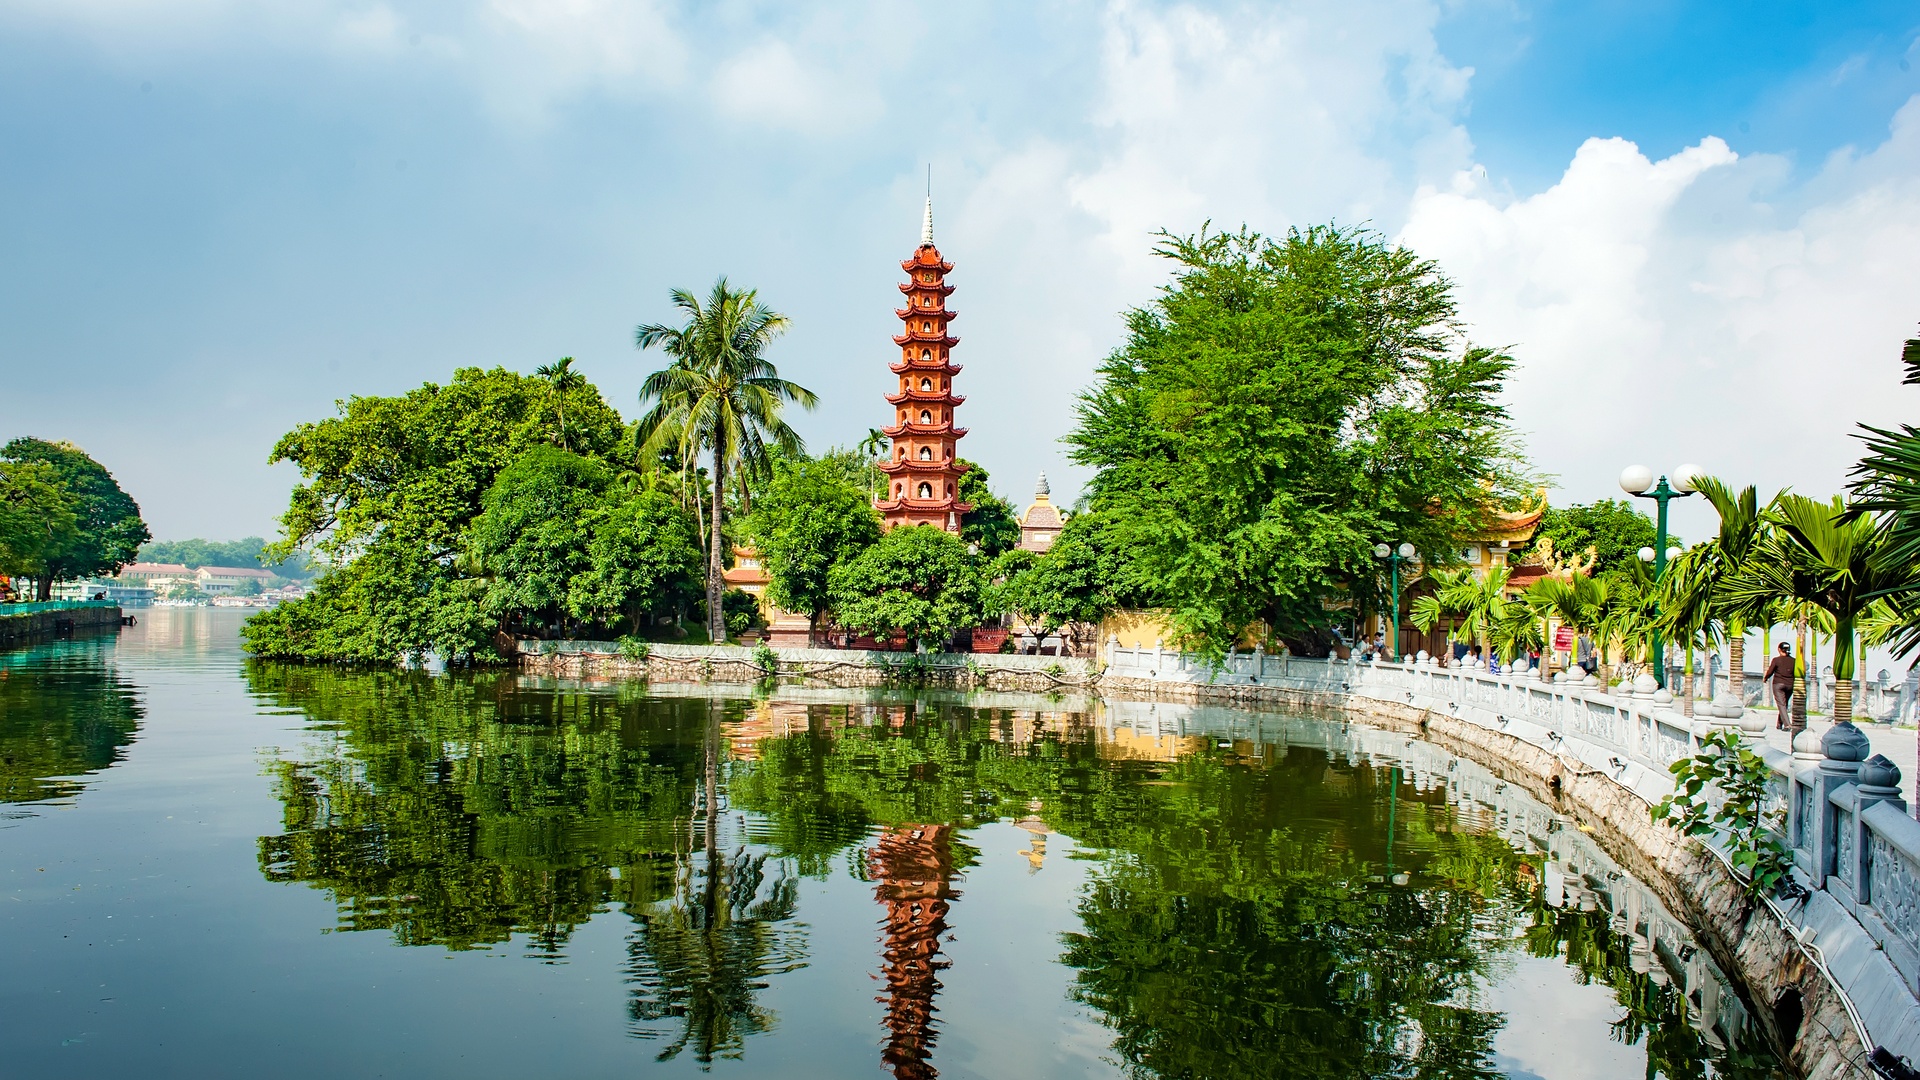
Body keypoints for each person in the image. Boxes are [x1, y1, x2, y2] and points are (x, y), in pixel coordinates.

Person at [1763, 643, 1796, 729]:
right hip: (1790, 685)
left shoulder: (1776, 660)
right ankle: (1779, 724)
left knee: (1781, 705)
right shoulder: (1794, 661)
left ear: (1779, 649)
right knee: (1784, 704)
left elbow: (1770, 671)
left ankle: (1787, 724)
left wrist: (1765, 678)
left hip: (1778, 684)